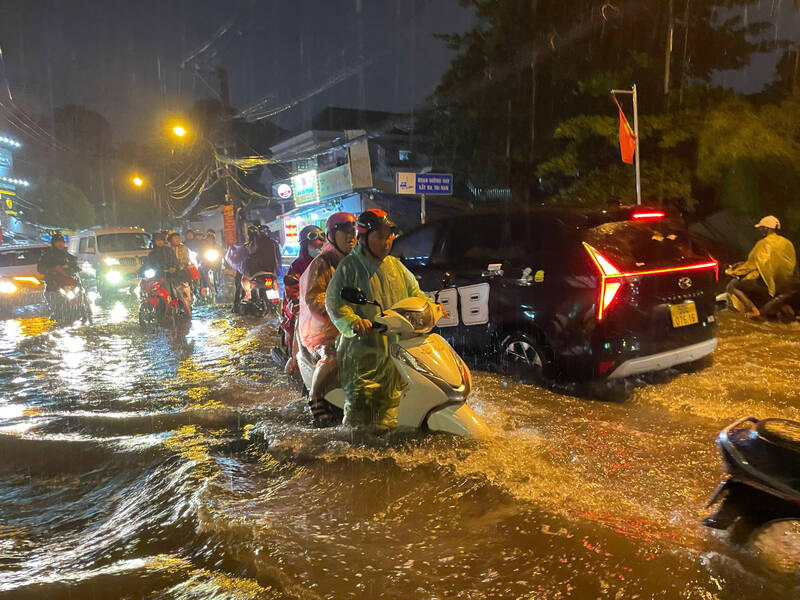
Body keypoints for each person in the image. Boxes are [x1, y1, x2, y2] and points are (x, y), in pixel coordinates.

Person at [325, 209, 435, 429]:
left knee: (396, 401)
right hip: (363, 349)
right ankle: (355, 455)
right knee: (361, 406)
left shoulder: (395, 266)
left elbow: (415, 293)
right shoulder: (350, 267)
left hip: (395, 346)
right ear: (364, 238)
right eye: (380, 237)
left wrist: (431, 307)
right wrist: (354, 321)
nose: (387, 243)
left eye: (389, 237)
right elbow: (335, 302)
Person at [297, 214, 357, 426]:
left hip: (354, 323)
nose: (351, 235)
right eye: (344, 230)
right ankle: (315, 396)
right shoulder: (322, 264)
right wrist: (340, 311)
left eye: (353, 230)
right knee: (331, 355)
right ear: (332, 235)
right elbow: (314, 298)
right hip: (325, 328)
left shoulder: (358, 261)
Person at [727, 216, 797, 318]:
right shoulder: (787, 242)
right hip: (785, 282)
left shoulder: (763, 244)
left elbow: (751, 265)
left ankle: (753, 310)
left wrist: (732, 272)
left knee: (733, 285)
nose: (759, 230)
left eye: (761, 228)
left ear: (766, 228)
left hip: (768, 284)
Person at [282, 225, 325, 374]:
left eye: (320, 245)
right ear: (305, 246)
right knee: (299, 322)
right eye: (313, 245)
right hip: (304, 307)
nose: (317, 248)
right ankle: (295, 362)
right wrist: (299, 302)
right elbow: (292, 290)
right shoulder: (297, 265)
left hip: (324, 306)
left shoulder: (328, 262)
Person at [37, 233, 79, 313]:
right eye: (57, 242)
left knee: (81, 294)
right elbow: (40, 269)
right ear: (53, 243)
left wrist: (77, 269)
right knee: (55, 304)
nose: (60, 244)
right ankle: (56, 313)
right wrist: (52, 270)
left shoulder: (66, 254)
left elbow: (74, 264)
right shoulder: (47, 255)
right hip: (53, 285)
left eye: (62, 241)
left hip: (68, 284)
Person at [168, 231, 193, 314]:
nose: (177, 240)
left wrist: (178, 267)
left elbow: (186, 259)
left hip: (182, 272)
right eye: (174, 238)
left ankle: (188, 302)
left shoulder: (184, 247)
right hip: (171, 272)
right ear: (170, 240)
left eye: (178, 238)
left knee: (185, 288)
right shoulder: (168, 249)